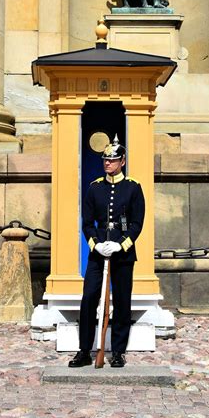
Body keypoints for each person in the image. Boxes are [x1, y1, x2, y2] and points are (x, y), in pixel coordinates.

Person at [68, 135, 145, 368]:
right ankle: (84, 350)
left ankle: (118, 351)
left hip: (122, 253)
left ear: (122, 161)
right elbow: (87, 222)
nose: (107, 164)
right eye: (105, 160)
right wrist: (95, 243)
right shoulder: (95, 188)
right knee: (89, 298)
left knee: (122, 301)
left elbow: (137, 223)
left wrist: (121, 244)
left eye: (112, 160)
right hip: (98, 252)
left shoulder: (133, 187)